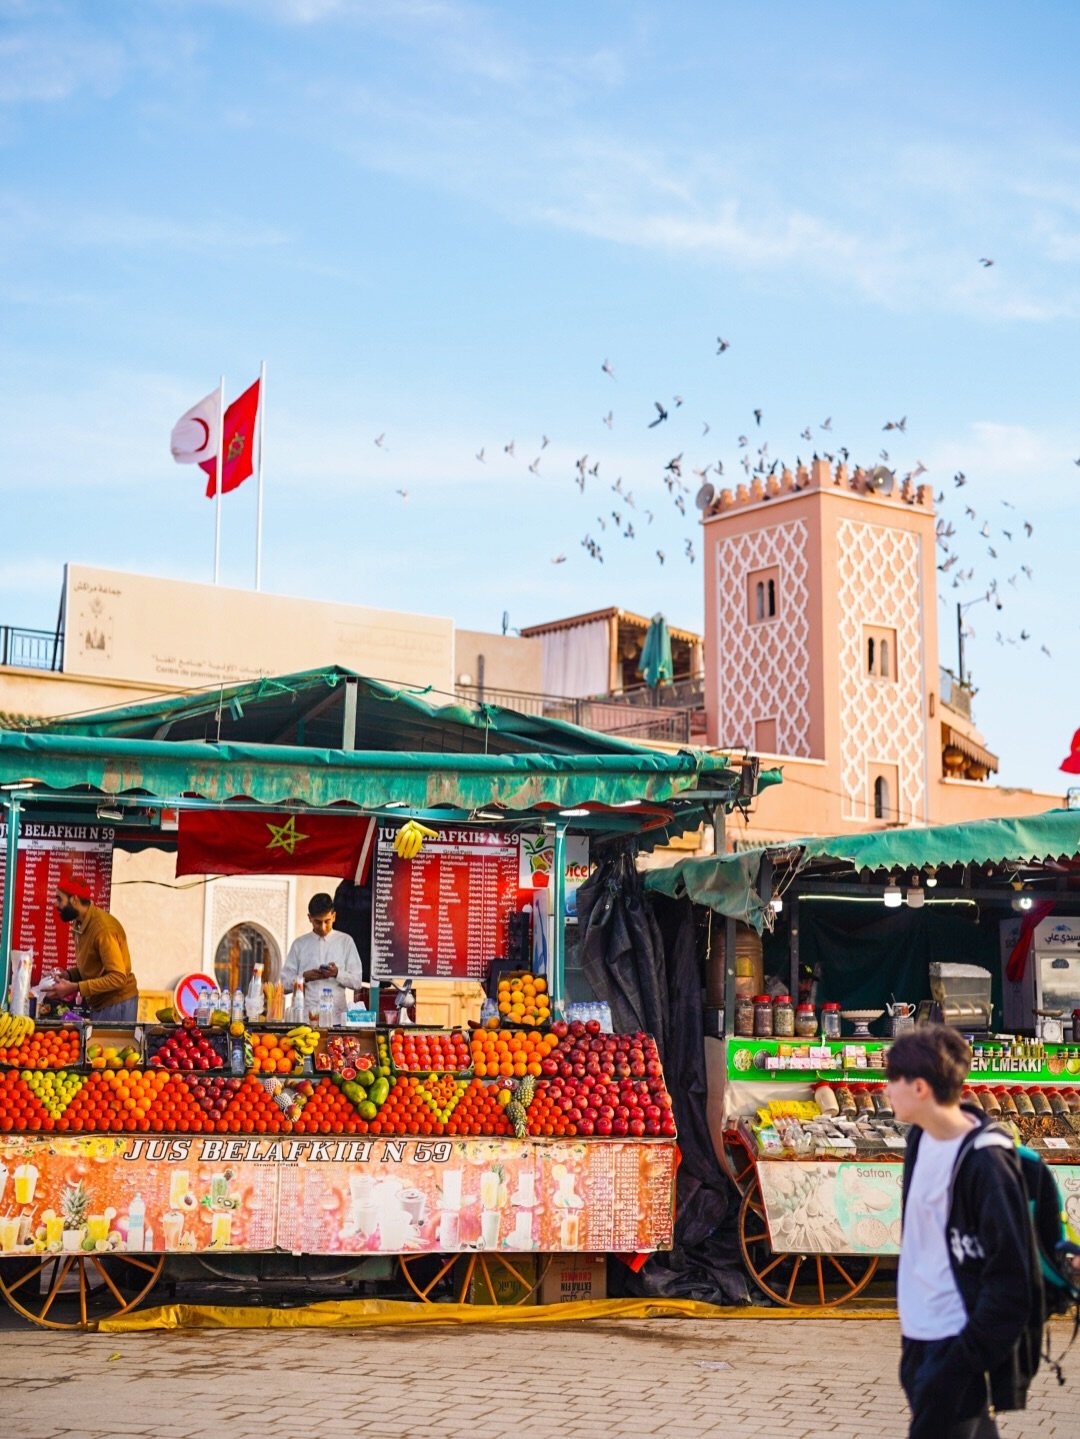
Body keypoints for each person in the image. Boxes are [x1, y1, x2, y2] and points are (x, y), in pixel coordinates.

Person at [886, 1025, 1044, 1439]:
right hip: (918, 1337)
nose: (886, 1090)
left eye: (892, 1080)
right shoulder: (921, 1138)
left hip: (955, 1344)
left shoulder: (987, 1164)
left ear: (919, 1087)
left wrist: (964, 1358)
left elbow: (1013, 1282)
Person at [42, 870, 139, 1023]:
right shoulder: (79, 923)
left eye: (59, 899)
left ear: (74, 899)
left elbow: (118, 977)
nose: (56, 904)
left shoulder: (103, 930)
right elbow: (93, 967)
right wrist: (68, 975)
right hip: (100, 1004)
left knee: (112, 1047)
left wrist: (74, 987)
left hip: (116, 1004)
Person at [280, 892, 366, 1024]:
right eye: (318, 922)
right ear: (310, 918)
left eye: (327, 921)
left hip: (336, 1019)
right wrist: (304, 977)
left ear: (334, 916)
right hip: (305, 1019)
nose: (323, 927)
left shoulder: (346, 941)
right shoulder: (299, 944)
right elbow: (284, 985)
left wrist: (337, 973)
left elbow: (357, 982)